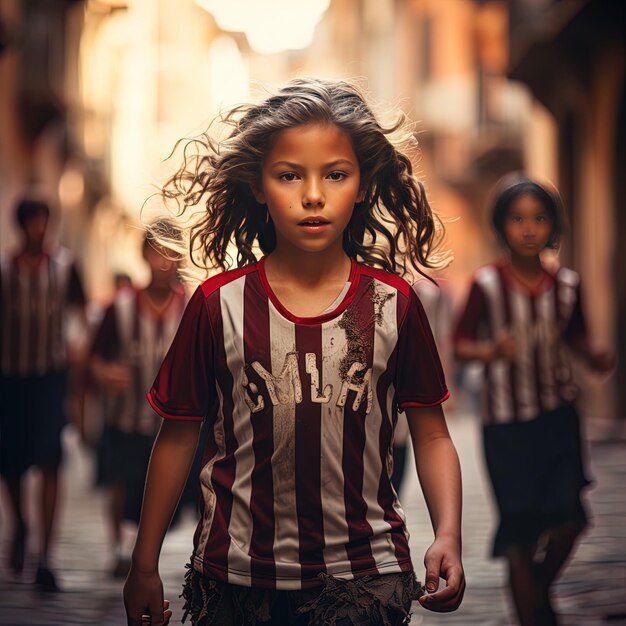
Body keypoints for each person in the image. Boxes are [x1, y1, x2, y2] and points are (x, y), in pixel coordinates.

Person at [123, 77, 465, 626]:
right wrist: (144, 564)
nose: (313, 194)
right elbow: (178, 436)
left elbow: (431, 433)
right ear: (259, 186)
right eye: (289, 175)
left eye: (335, 174)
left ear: (362, 182)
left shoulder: (393, 306)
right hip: (234, 580)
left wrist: (448, 533)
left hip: (365, 579)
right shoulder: (218, 305)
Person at [453, 174, 615, 626]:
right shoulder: (486, 285)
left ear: (552, 225)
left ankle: (536, 598)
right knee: (520, 530)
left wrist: (595, 356)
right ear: (501, 225)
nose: (528, 229)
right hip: (505, 425)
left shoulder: (567, 284)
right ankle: (532, 616)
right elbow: (460, 343)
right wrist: (490, 351)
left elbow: (576, 336)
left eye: (539, 219)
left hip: (558, 419)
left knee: (571, 520)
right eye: (517, 219)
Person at [0, 196, 87, 591]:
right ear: (22, 225)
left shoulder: (66, 267)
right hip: (9, 379)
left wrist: (76, 366)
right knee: (10, 464)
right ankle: (18, 523)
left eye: (43, 220)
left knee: (50, 463)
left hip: (50, 379)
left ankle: (46, 557)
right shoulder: (4, 271)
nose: (39, 227)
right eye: (32, 220)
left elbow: (78, 320)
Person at [90, 225, 187, 578]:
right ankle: (119, 546)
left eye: (171, 253)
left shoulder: (192, 305)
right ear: (144, 255)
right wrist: (103, 374)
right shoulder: (121, 305)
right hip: (125, 414)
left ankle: (147, 547)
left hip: (173, 422)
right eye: (157, 252)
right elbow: (95, 357)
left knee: (166, 488)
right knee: (119, 478)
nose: (164, 262)